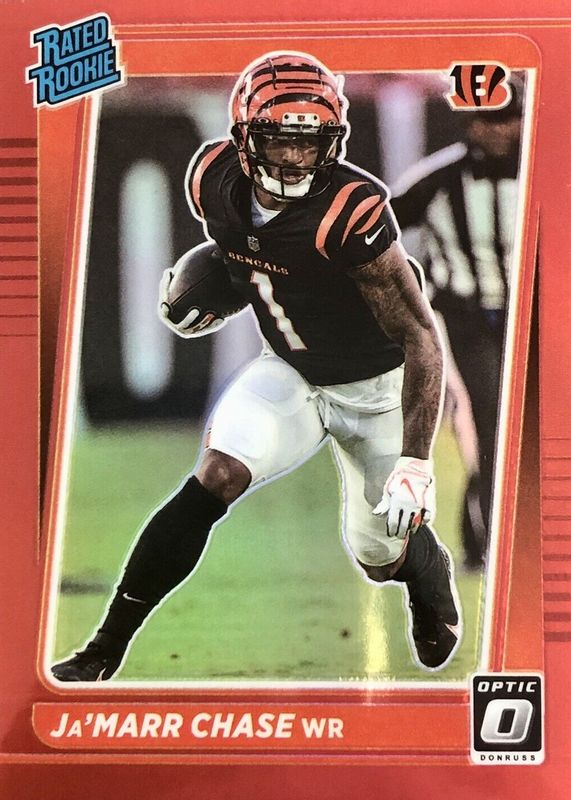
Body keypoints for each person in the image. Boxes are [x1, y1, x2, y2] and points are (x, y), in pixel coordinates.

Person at [52, 51, 461, 681]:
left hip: (377, 390)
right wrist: (213, 285)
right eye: (278, 139)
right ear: (243, 137)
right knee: (215, 474)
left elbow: (420, 337)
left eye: (309, 142)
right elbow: (245, 250)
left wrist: (416, 462)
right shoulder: (211, 177)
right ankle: (103, 649)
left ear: (333, 140)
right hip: (293, 372)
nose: (294, 158)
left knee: (377, 557)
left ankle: (424, 567)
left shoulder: (351, 210)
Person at [390, 86, 522, 568]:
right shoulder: (438, 180)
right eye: (487, 120)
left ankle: (482, 531)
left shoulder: (545, 171)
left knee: (526, 426)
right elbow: (376, 229)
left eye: (506, 118)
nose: (497, 130)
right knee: (492, 421)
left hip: (528, 319)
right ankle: (495, 543)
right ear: (470, 125)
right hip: (466, 319)